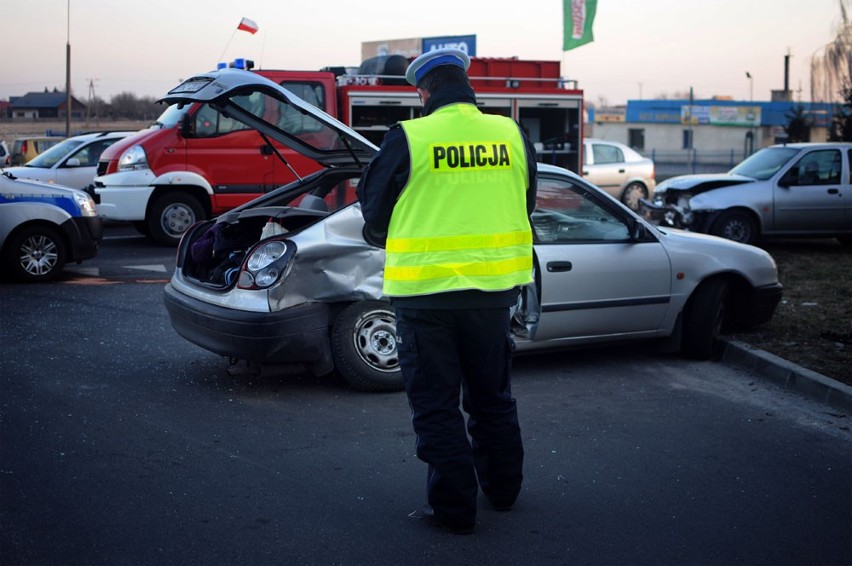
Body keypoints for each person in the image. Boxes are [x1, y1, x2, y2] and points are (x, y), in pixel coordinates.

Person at [356, 48, 538, 535]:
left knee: (437, 405)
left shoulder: (411, 137)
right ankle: (503, 492)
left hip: (426, 297)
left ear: (424, 92)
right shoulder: (511, 134)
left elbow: (373, 214)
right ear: (466, 85)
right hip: (494, 293)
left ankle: (455, 512)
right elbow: (527, 202)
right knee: (492, 398)